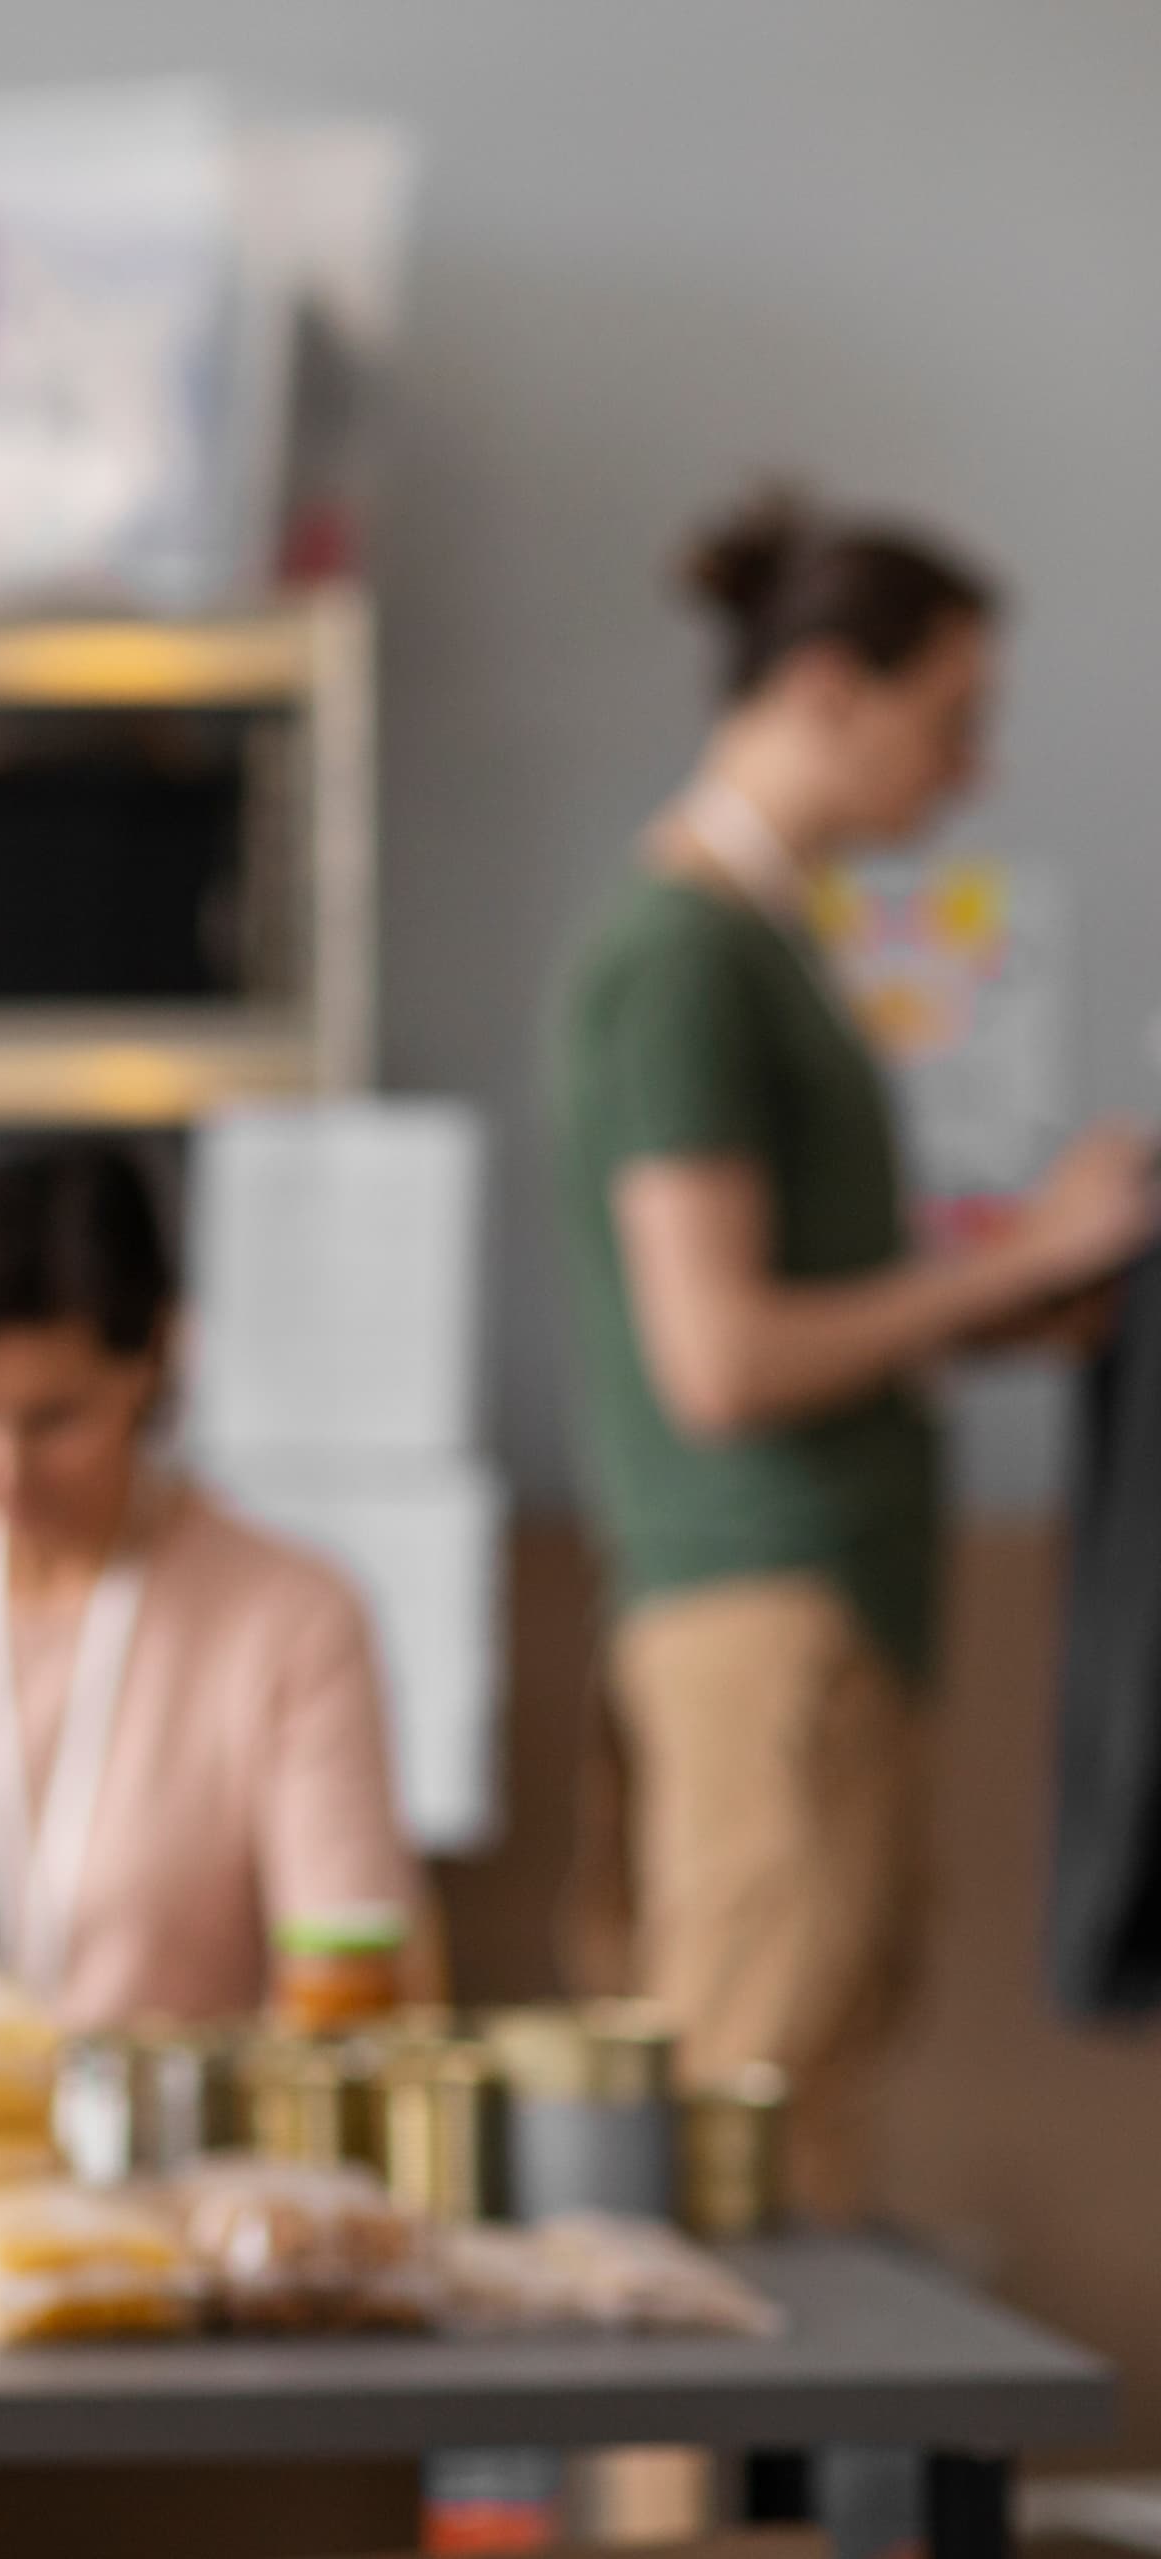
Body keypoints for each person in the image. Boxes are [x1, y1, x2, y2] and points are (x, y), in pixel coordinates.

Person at [550, 487, 1155, 2219]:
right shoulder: (683, 957)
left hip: (817, 1621)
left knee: (801, 2130)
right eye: (949, 718)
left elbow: (804, 1317)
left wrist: (1018, 1301)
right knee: (734, 2158)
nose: (968, 770)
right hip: (766, 1629)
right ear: (828, 688)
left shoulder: (767, 947)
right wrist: (1023, 1254)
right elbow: (722, 1357)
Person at [0, 1139, 418, 2032]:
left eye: (56, 1418)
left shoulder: (291, 1624)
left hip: (174, 2122)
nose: (5, 1466)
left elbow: (345, 1991)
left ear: (155, 1358)